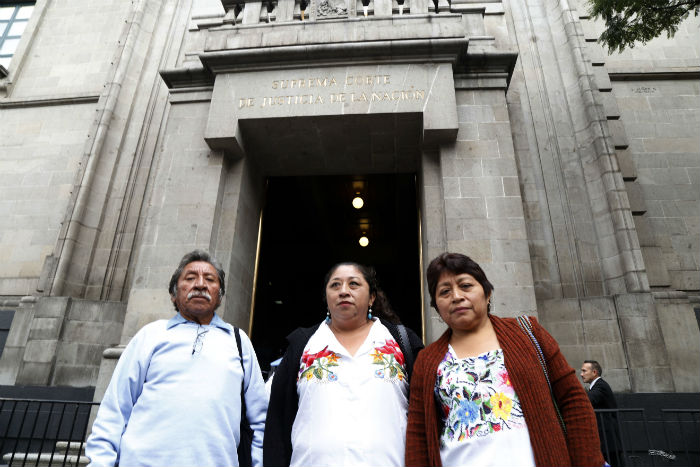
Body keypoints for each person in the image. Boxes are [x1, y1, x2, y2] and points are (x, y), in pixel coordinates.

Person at [406, 252, 604, 467]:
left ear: (487, 293)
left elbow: (573, 400)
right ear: (436, 306)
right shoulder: (427, 361)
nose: (456, 296)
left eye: (465, 286)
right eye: (444, 291)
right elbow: (418, 435)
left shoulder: (528, 332)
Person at [86, 250, 267, 467]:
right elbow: (115, 408)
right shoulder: (151, 335)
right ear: (174, 293)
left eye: (209, 279)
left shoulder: (239, 342)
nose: (200, 284)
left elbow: (260, 421)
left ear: (219, 294)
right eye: (190, 278)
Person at [263, 262, 424, 467]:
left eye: (354, 284)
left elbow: (426, 417)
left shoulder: (401, 341)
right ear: (326, 298)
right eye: (335, 285)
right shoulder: (303, 345)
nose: (344, 291)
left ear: (372, 297)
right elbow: (276, 421)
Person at [581, 360, 623, 467]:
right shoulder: (596, 387)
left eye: (584, 371)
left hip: (608, 441)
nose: (581, 374)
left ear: (594, 372)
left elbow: (588, 400)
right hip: (605, 441)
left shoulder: (601, 386)